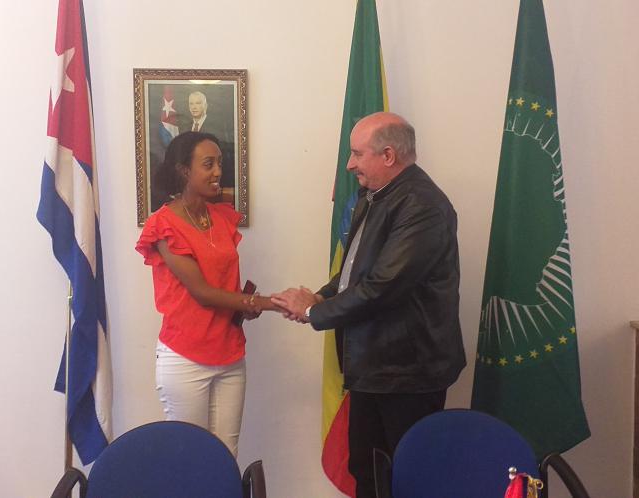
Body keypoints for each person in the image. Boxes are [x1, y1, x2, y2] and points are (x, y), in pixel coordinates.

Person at [272, 112, 465, 497]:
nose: (349, 165)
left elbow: (383, 286)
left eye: (357, 154)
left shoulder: (422, 205)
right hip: (374, 368)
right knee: (367, 472)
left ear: (388, 155)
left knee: (409, 480)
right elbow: (355, 272)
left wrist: (313, 312)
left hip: (408, 375)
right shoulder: (374, 196)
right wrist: (322, 296)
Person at [136, 131, 279, 457]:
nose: (218, 172)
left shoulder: (222, 217)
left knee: (226, 455)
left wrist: (244, 307)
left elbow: (223, 284)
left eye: (220, 164)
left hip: (229, 353)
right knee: (190, 457)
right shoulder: (164, 224)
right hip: (185, 357)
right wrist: (268, 302)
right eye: (208, 164)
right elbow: (202, 292)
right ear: (184, 170)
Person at [184, 91, 235, 191]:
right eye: (191, 104)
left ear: (205, 106)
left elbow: (223, 158)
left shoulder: (217, 127)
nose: (194, 107)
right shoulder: (184, 127)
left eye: (198, 103)